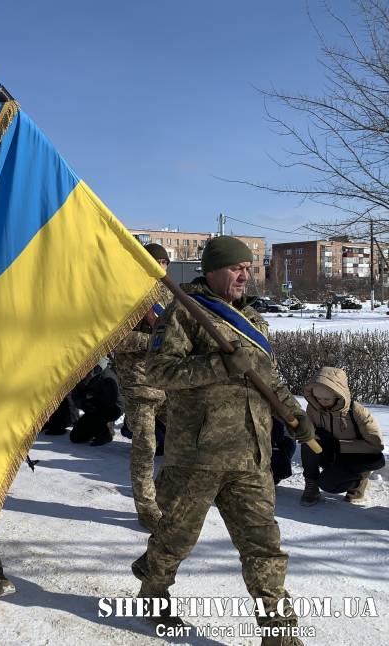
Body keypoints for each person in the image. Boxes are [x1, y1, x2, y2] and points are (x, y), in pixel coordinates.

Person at [131, 236, 316, 642]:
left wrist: (295, 415)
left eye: (248, 268)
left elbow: (268, 379)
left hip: (252, 455)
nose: (244, 275)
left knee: (263, 545)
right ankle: (153, 592)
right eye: (236, 268)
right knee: (176, 538)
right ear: (212, 270)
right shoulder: (187, 312)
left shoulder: (254, 320)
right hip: (197, 454)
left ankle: (279, 631)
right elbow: (160, 372)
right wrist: (219, 364)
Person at [113, 242, 171, 531]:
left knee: (185, 439)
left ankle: (167, 497)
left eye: (164, 263)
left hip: (169, 383)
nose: (160, 268)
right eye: (155, 262)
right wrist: (154, 343)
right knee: (146, 447)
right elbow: (114, 341)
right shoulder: (124, 297)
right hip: (138, 383)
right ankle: (146, 507)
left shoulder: (170, 294)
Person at [300, 367, 385, 506]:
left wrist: (338, 445)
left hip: (355, 457)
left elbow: (376, 445)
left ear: (338, 394)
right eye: (318, 398)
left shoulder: (357, 412)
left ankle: (360, 481)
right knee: (308, 443)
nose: (322, 402)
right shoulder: (313, 409)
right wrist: (309, 434)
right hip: (331, 454)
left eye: (326, 398)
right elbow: (310, 431)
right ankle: (311, 484)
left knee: (328, 485)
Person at [68, 356, 122, 446]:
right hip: (92, 408)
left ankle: (106, 432)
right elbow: (76, 395)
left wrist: (92, 401)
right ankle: (94, 429)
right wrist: (83, 403)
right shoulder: (82, 374)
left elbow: (110, 402)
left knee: (100, 416)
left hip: (111, 408)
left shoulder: (106, 376)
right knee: (75, 437)